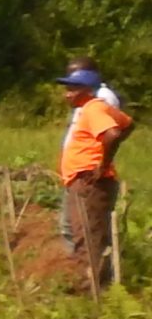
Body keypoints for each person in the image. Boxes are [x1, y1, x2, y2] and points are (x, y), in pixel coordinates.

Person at [57, 68, 134, 291]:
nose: (67, 94)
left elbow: (113, 134)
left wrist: (101, 164)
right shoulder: (96, 109)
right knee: (93, 233)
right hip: (87, 181)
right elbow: (128, 124)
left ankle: (91, 290)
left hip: (87, 183)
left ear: (87, 91)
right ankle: (94, 286)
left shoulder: (93, 109)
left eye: (72, 89)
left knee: (87, 236)